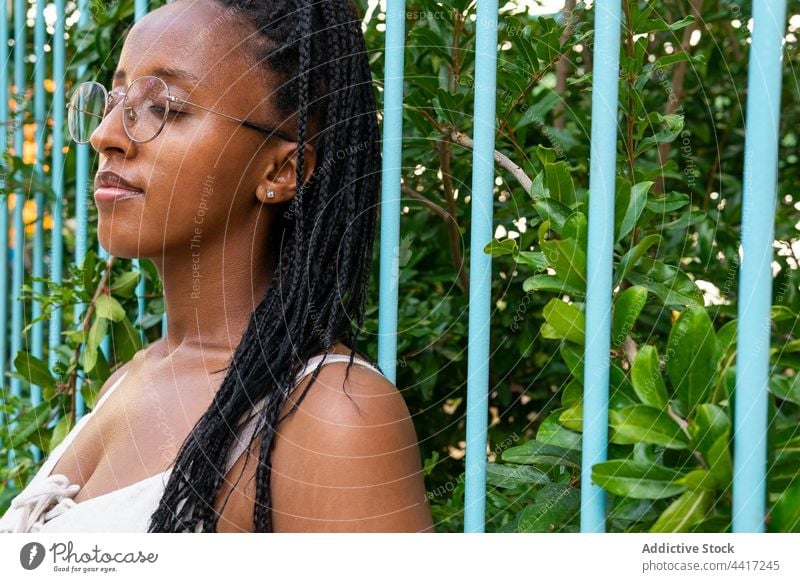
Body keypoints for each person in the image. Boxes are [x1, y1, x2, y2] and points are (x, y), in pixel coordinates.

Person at [0, 0, 434, 533]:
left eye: (165, 107)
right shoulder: (128, 380)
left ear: (282, 169)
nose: (106, 134)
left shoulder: (330, 418)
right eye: (116, 99)